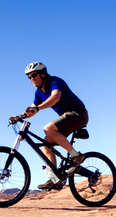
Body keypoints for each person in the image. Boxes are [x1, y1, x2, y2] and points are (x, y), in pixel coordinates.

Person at [23, 61, 89, 190]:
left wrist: (38, 108)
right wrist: (20, 116)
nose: (32, 79)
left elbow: (55, 97)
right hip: (67, 118)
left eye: (34, 75)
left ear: (43, 74)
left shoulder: (54, 81)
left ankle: (77, 156)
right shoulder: (38, 92)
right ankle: (55, 179)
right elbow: (32, 109)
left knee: (48, 128)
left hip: (78, 114)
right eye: (29, 77)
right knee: (46, 146)